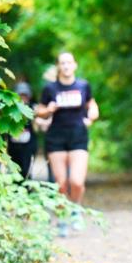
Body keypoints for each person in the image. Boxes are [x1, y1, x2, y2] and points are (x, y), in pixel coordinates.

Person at [35, 52, 99, 236]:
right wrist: (48, 110)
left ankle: (76, 208)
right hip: (56, 137)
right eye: (62, 63)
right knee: (61, 183)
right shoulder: (50, 88)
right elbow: (39, 111)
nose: (65, 66)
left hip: (78, 135)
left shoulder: (83, 85)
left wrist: (92, 115)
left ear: (75, 65)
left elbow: (92, 104)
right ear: (58, 67)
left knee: (76, 182)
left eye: (69, 62)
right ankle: (62, 216)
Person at [6, 81, 37, 179]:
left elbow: (39, 121)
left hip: (28, 145)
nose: (23, 98)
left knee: (26, 169)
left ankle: (26, 189)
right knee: (13, 169)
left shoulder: (33, 108)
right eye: (20, 95)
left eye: (25, 96)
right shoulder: (9, 108)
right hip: (13, 144)